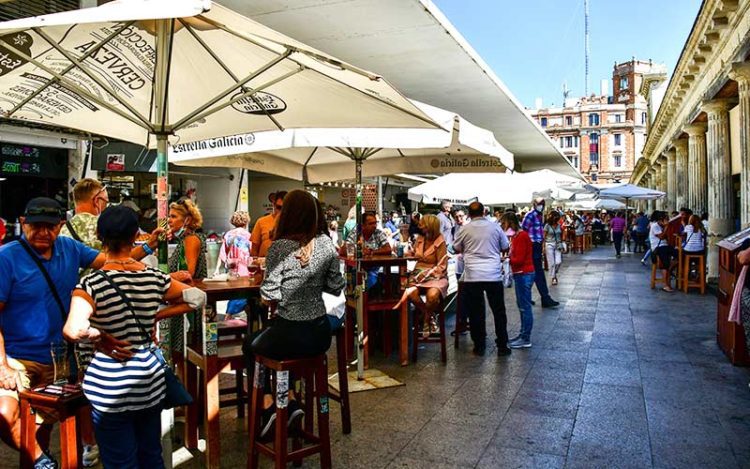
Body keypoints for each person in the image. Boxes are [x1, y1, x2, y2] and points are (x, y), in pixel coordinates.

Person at [0, 197, 159, 468]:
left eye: (50, 227)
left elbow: (114, 262)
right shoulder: (7, 257)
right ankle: (43, 462)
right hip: (17, 358)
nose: (43, 232)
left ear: (61, 226)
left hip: (62, 357)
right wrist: (2, 365)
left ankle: (38, 459)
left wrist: (148, 249)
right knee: (5, 413)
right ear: (23, 224)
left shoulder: (69, 247)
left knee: (44, 427)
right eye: (35, 226)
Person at [62, 206, 205, 468]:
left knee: (120, 461)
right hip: (148, 384)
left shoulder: (91, 284)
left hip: (109, 389)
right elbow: (197, 297)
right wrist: (157, 317)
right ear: (134, 237)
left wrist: (99, 336)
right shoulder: (154, 278)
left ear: (99, 236)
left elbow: (73, 330)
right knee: (151, 455)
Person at [243, 190, 346, 439]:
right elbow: (336, 286)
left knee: (251, 345)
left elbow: (268, 295)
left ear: (287, 214)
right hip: (320, 335)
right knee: (278, 345)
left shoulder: (280, 247)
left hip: (289, 334)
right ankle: (289, 402)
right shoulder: (326, 245)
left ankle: (269, 406)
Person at [451, 201, 511, 357]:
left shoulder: (465, 229)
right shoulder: (495, 227)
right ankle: (503, 345)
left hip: (473, 276)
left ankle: (479, 345)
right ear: (484, 212)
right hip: (493, 274)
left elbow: (456, 248)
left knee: (476, 312)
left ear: (469, 214)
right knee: (499, 311)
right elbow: (505, 246)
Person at [394, 214, 448, 337]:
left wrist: (427, 274)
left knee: (432, 295)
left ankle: (425, 320)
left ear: (429, 226)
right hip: (418, 272)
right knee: (410, 292)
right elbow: (415, 253)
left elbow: (441, 266)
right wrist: (408, 252)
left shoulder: (440, 241)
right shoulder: (420, 238)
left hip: (435, 274)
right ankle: (429, 317)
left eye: (422, 225)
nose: (420, 226)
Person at [502, 212, 535, 348]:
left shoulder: (520, 236)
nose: (502, 226)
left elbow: (519, 259)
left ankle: (525, 337)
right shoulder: (519, 236)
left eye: (504, 223)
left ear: (510, 223)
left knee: (524, 306)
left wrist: (507, 259)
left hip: (523, 273)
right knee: (523, 305)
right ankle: (523, 334)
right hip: (523, 273)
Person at [521, 197, 559, 308]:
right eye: (539, 204)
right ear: (534, 204)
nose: (541, 206)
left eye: (542, 204)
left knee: (535, 273)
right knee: (538, 272)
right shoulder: (531, 215)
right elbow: (523, 230)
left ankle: (528, 297)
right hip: (532, 245)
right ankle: (544, 298)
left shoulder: (539, 216)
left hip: (536, 245)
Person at [168, 198, 207, 281]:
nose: (169, 220)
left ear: (188, 220)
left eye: (173, 217)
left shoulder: (191, 239)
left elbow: (187, 274)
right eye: (169, 216)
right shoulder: (184, 239)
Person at [251, 191, 287, 258]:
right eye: (279, 207)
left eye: (285, 208)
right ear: (273, 204)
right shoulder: (261, 221)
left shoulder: (294, 223)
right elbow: (254, 249)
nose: (282, 211)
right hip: (264, 265)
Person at [649, 211, 676, 292]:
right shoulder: (655, 226)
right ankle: (665, 284)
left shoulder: (662, 226)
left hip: (665, 246)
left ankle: (670, 269)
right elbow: (661, 237)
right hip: (658, 247)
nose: (667, 220)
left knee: (679, 254)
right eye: (666, 219)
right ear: (660, 220)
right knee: (665, 263)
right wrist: (667, 227)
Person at [220, 211, 252, 277]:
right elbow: (252, 252)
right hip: (244, 267)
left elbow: (222, 253)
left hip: (231, 266)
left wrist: (217, 269)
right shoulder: (248, 235)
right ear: (246, 222)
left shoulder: (228, 234)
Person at [544, 211, 563, 285]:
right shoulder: (547, 226)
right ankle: (553, 277)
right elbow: (544, 236)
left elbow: (560, 234)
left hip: (558, 244)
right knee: (551, 263)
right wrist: (543, 247)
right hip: (549, 244)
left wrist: (562, 242)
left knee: (559, 262)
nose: (557, 219)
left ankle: (554, 272)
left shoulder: (558, 225)